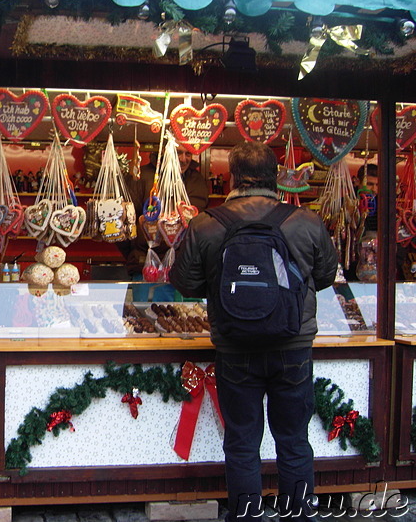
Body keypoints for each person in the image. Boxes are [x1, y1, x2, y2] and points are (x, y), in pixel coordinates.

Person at [169, 141, 337, 522]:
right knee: (294, 441)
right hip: (293, 347)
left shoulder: (207, 223)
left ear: (232, 177)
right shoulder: (305, 222)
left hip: (235, 348)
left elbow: (185, 282)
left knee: (242, 442)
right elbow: (326, 275)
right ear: (275, 177)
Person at [116, 146, 208, 294]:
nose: (183, 159)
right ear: (165, 151)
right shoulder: (141, 177)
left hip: (182, 267)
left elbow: (198, 225)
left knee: (178, 314)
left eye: (188, 153)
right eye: (178, 152)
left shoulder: (196, 181)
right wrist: (134, 253)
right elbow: (124, 223)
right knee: (144, 313)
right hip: (146, 265)